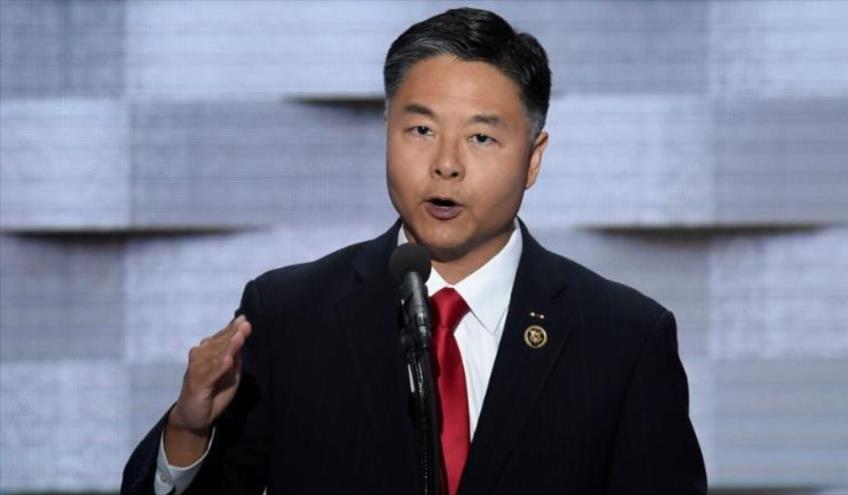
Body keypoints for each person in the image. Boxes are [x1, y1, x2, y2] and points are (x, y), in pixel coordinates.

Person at [122, 7, 707, 494]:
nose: (445, 163)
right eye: (421, 130)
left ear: (533, 158)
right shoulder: (288, 315)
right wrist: (190, 432)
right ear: (386, 130)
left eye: (481, 137)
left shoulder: (623, 339)